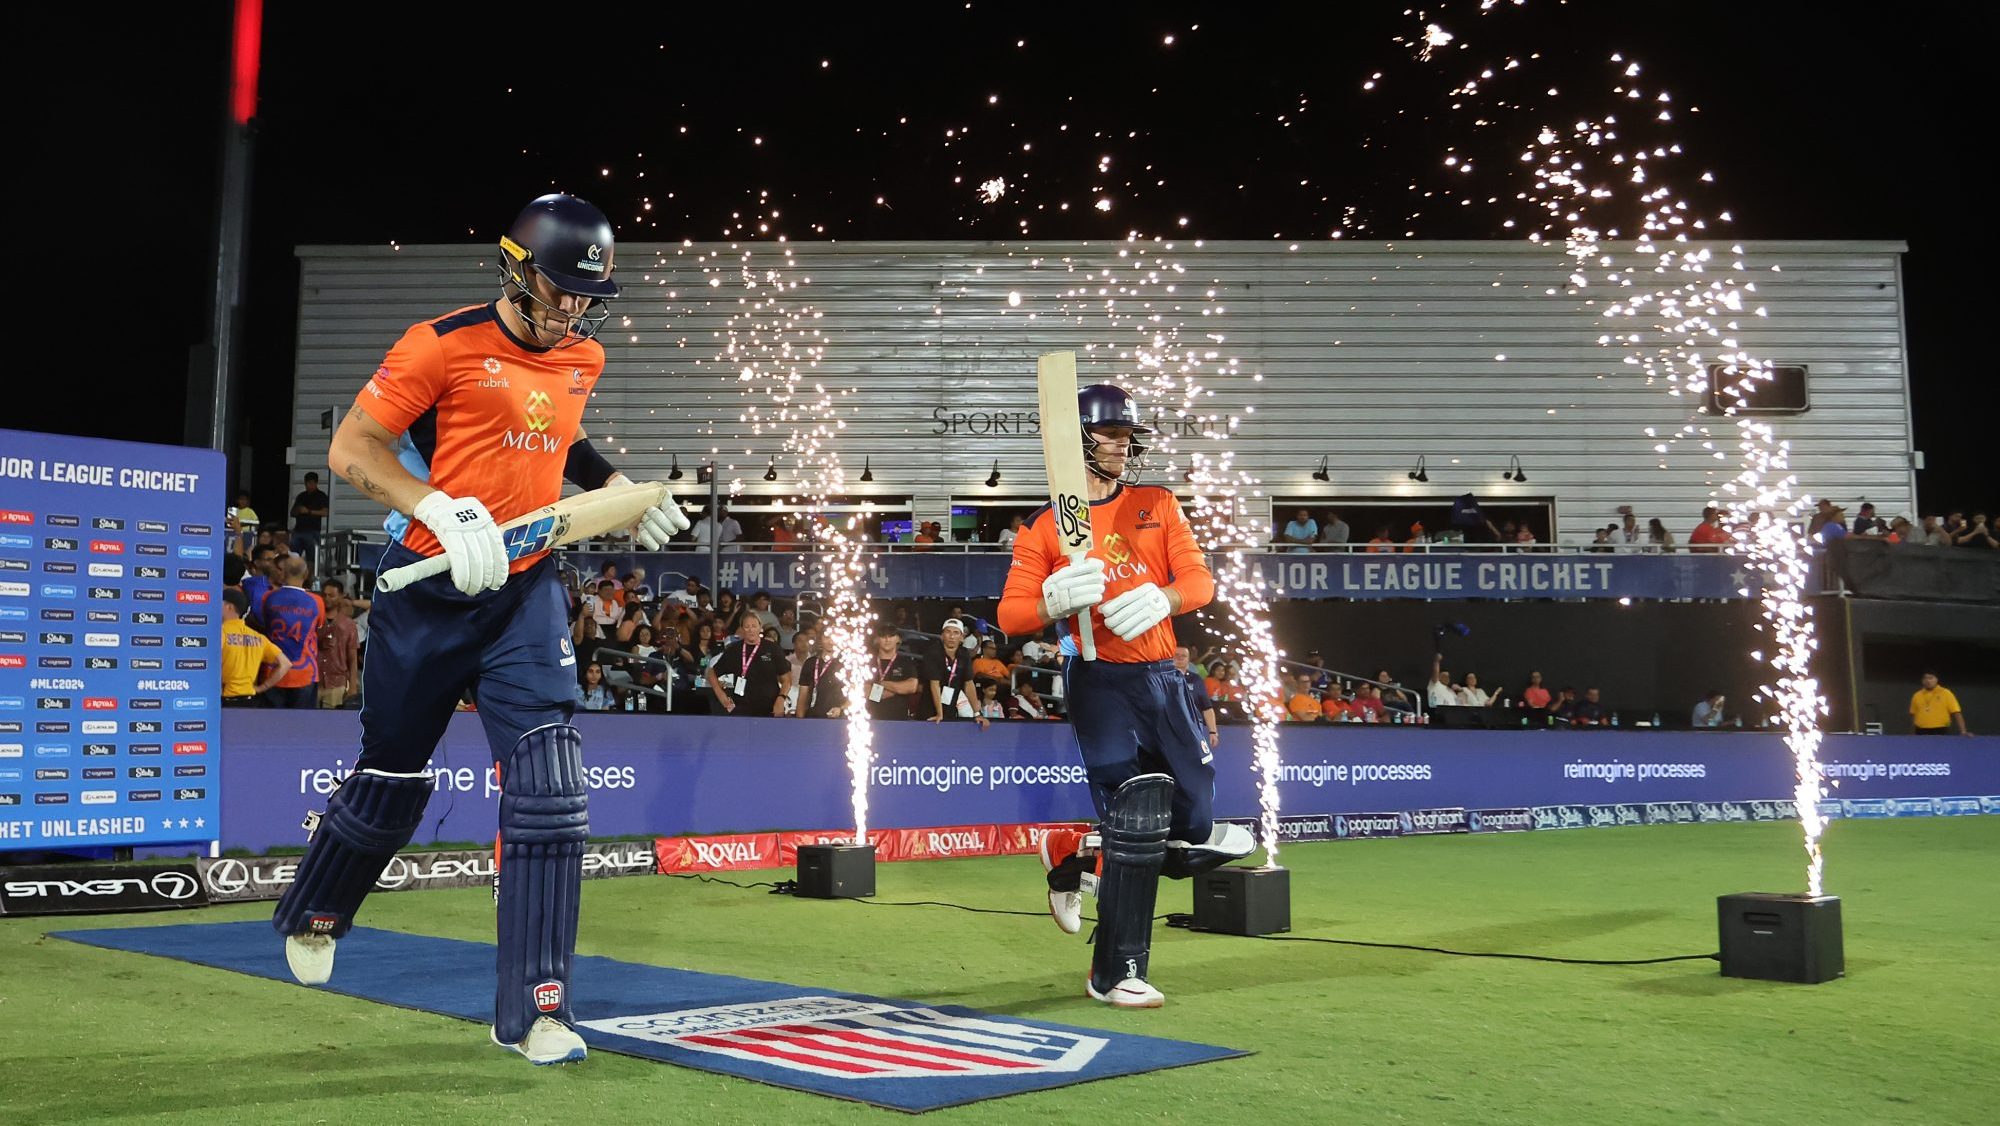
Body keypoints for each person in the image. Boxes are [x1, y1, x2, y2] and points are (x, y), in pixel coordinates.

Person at [271, 194, 689, 1066]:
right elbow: (353, 449)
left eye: (585, 295)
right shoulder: (440, 343)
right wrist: (433, 505)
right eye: (555, 287)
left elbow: (559, 440)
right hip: (426, 593)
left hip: (524, 592)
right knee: (390, 780)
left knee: (551, 796)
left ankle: (537, 1010)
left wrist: (624, 488)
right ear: (513, 264)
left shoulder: (585, 354)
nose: (569, 308)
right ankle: (318, 908)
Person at [998, 381, 1252, 1009]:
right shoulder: (1045, 528)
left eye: (1126, 436)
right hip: (1099, 680)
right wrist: (1051, 601)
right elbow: (1010, 616)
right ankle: (1114, 972)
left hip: (1163, 676)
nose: (1121, 445)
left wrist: (1166, 598)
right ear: (1078, 439)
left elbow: (1200, 579)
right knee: (1132, 816)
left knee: (1192, 827)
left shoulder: (1157, 503)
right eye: (1111, 434)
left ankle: (1073, 852)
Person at [261, 556, 326, 709]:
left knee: (271, 728)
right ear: (306, 574)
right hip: (305, 672)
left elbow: (264, 624)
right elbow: (320, 628)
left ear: (283, 574)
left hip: (273, 672)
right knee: (302, 728)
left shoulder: (268, 597)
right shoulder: (316, 601)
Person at [707, 614, 789, 717]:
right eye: (747, 626)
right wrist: (721, 696)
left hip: (770, 707)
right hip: (741, 708)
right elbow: (711, 673)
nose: (751, 630)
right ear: (742, 629)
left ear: (760, 627)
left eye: (754, 626)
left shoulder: (772, 648)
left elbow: (787, 679)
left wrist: (781, 699)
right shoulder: (734, 650)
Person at [221, 588, 292, 706]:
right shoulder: (258, 637)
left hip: (225, 701)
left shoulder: (220, 633)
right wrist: (262, 688)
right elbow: (285, 664)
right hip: (251, 701)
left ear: (229, 607)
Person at [923, 618, 989, 729]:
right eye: (948, 632)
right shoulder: (933, 652)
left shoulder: (964, 654)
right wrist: (940, 713)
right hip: (930, 706)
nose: (951, 636)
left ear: (962, 637)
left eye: (956, 633)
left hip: (950, 705)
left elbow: (968, 683)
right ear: (942, 635)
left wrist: (977, 714)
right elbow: (934, 684)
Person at [863, 621, 924, 719]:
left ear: (898, 639)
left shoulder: (905, 661)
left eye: (891, 636)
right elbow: (864, 691)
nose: (887, 639)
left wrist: (881, 684)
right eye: (883, 636)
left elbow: (912, 686)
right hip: (872, 718)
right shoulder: (869, 661)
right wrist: (897, 690)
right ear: (877, 639)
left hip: (899, 719)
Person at [317, 581, 361, 709]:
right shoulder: (314, 620)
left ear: (341, 596)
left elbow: (353, 657)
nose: (327, 599)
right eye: (324, 595)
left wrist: (352, 686)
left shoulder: (348, 625)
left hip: (337, 683)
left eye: (331, 595)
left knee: (331, 724)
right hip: (315, 681)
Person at [1172, 646, 1220, 751]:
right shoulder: (1161, 678)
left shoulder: (1196, 679)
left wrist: (1213, 731)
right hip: (1169, 729)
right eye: (1176, 655)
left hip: (1192, 728)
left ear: (1189, 660)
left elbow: (1207, 707)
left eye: (1183, 656)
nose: (1180, 658)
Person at [796, 630, 849, 718]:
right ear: (820, 638)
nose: (831, 642)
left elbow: (856, 696)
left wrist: (841, 709)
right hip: (813, 718)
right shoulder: (810, 663)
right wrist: (800, 721)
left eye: (834, 637)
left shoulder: (847, 663)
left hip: (839, 719)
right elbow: (802, 697)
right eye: (827, 637)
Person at [292, 471, 330, 568]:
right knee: (293, 556)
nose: (310, 485)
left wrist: (308, 511)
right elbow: (292, 513)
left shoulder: (321, 496)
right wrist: (298, 510)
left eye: (312, 483)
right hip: (298, 530)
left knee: (312, 558)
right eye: (308, 483)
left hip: (312, 531)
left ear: (316, 483)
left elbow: (325, 512)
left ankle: (310, 578)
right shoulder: (301, 496)